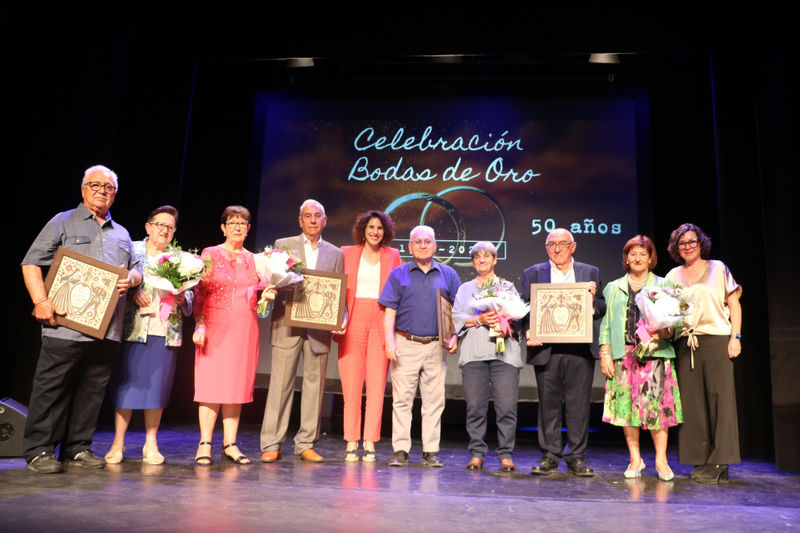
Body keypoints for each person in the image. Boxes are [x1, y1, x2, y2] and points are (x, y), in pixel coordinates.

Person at [21, 165, 142, 473]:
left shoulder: (123, 233)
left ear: (115, 194)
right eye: (95, 185)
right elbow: (32, 262)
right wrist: (41, 301)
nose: (102, 190)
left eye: (109, 187)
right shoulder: (63, 221)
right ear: (83, 189)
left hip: (107, 329)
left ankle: (77, 447)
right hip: (63, 325)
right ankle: (39, 450)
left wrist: (133, 277)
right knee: (52, 387)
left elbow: (137, 268)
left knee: (93, 388)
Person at [104, 206, 193, 465]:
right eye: (159, 225)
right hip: (133, 329)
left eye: (169, 227)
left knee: (157, 389)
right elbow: (116, 280)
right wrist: (132, 293)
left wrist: (182, 296)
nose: (164, 231)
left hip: (165, 332)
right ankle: (118, 442)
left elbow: (191, 298)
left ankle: (150, 444)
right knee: (126, 386)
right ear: (147, 227)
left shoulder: (180, 258)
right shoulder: (132, 250)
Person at [259, 199, 344, 463]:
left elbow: (338, 292)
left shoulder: (336, 253)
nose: (312, 220)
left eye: (317, 215)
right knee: (280, 385)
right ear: (300, 221)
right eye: (307, 216)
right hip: (287, 323)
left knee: (314, 386)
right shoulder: (283, 246)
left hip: (319, 329)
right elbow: (272, 279)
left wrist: (341, 317)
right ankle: (272, 443)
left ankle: (306, 442)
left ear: (325, 220)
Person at [521, 228, 606, 477]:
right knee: (549, 405)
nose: (557, 249)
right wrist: (528, 330)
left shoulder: (590, 272)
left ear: (573, 246)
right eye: (552, 244)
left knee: (579, 405)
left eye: (563, 244)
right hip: (547, 349)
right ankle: (550, 455)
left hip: (580, 349)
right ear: (546, 247)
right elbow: (524, 308)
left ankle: (577, 456)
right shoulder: (533, 273)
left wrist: (591, 299)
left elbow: (601, 307)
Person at [192, 205, 273, 465]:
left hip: (244, 328)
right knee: (211, 385)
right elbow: (200, 293)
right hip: (215, 326)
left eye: (242, 223)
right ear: (223, 227)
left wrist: (267, 298)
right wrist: (200, 324)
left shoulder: (256, 260)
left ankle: (230, 443)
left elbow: (259, 303)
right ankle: (205, 443)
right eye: (232, 222)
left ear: (248, 229)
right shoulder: (210, 253)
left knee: (236, 386)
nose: (237, 227)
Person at [599, 235, 682, 481]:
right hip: (623, 355)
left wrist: (663, 332)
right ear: (626, 258)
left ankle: (661, 461)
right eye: (632, 254)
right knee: (627, 410)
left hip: (654, 354)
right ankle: (635, 459)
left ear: (650, 258)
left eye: (642, 254)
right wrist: (605, 353)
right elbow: (606, 325)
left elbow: (676, 324)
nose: (637, 258)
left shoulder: (664, 285)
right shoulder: (614, 288)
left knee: (657, 409)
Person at [379, 225, 461, 467]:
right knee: (402, 400)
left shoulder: (448, 275)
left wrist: (455, 336)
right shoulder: (398, 274)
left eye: (428, 241)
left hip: (436, 346)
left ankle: (430, 452)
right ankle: (401, 451)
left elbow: (458, 312)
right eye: (418, 242)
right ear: (410, 246)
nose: (423, 245)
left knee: (434, 401)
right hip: (405, 343)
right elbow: (389, 311)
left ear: (435, 246)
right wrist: (389, 341)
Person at [666, 223, 742, 483]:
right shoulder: (673, 276)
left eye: (692, 241)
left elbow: (734, 303)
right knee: (693, 405)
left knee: (721, 401)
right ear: (677, 248)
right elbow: (666, 312)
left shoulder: (718, 268)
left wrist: (736, 337)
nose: (687, 246)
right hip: (686, 343)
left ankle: (721, 459)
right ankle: (702, 458)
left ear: (701, 244)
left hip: (717, 339)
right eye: (682, 243)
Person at [336, 211, 402, 462]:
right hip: (353, 319)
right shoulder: (346, 253)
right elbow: (339, 289)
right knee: (351, 386)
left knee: (376, 386)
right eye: (371, 227)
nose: (375, 231)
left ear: (385, 232)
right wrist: (339, 318)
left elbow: (398, 292)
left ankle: (370, 441)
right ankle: (351, 441)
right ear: (363, 229)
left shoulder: (392, 255)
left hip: (381, 319)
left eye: (380, 228)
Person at [451, 242, 522, 472]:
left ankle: (505, 454)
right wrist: (480, 319)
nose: (482, 260)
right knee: (475, 407)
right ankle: (477, 453)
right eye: (477, 257)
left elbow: (519, 318)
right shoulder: (465, 289)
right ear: (472, 262)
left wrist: (505, 320)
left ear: (494, 260)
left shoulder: (507, 287)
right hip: (474, 354)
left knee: (506, 407)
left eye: (486, 256)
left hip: (504, 355)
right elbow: (456, 318)